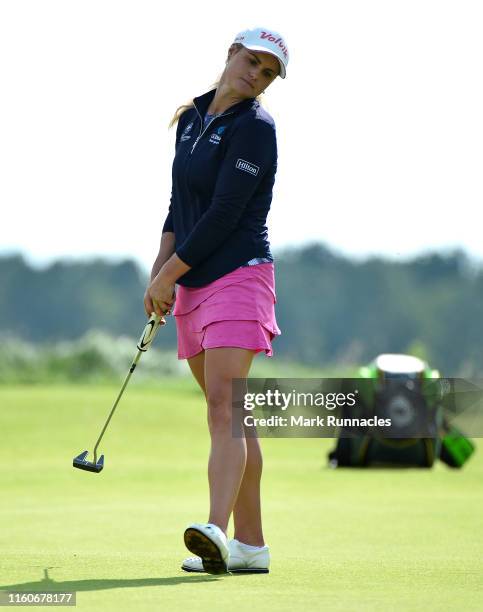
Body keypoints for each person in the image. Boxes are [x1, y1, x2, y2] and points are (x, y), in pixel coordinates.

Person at [144, 26, 289, 575]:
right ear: (230, 55)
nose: (256, 75)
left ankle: (215, 532)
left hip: (239, 275)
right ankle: (252, 545)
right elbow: (178, 205)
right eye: (251, 62)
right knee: (231, 416)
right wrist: (160, 274)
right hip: (191, 281)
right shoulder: (191, 118)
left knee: (225, 406)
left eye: (268, 72)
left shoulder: (256, 129)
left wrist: (168, 276)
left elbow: (225, 213)